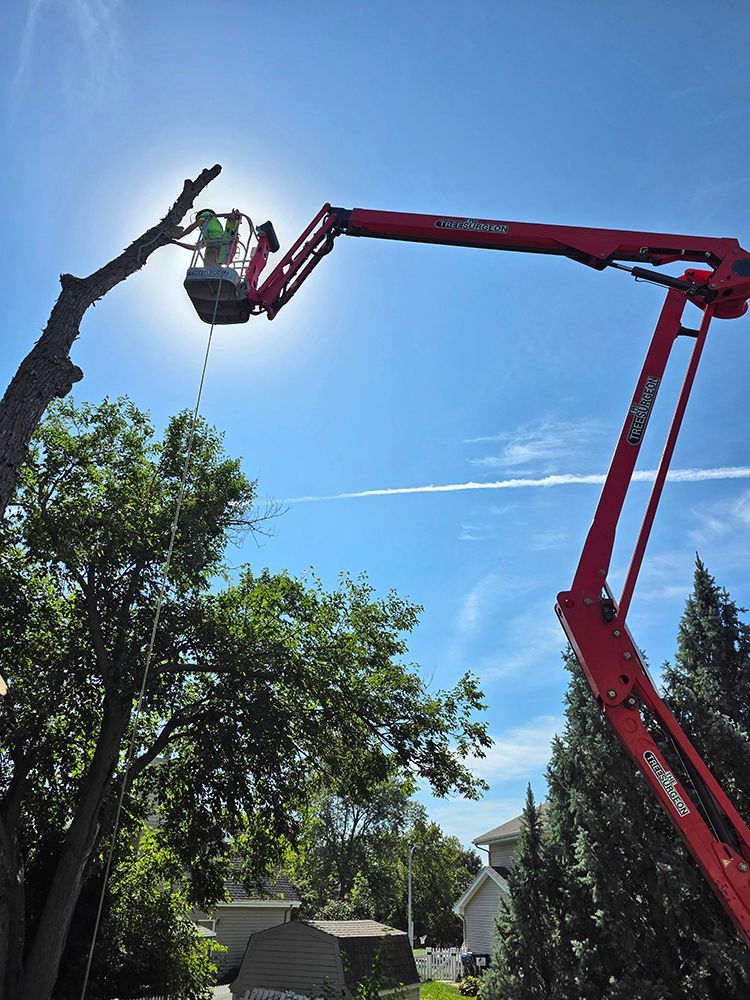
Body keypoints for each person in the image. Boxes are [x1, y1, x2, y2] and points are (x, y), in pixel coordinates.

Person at [173, 209, 241, 267]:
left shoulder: (206, 214)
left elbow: (194, 225)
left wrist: (180, 235)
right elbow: (195, 248)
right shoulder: (208, 234)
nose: (201, 226)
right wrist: (176, 243)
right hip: (216, 245)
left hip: (214, 245)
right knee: (211, 266)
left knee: (209, 267)